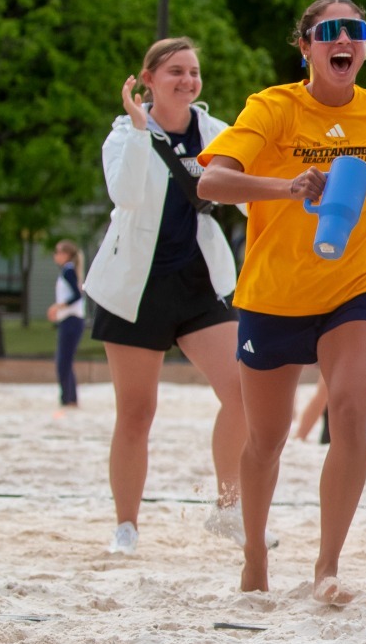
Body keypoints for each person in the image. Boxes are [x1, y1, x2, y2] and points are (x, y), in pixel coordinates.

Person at [196, 0, 366, 604]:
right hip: (272, 294)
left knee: (348, 413)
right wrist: (286, 186)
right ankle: (254, 554)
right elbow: (212, 181)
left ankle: (327, 566)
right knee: (266, 440)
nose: (344, 41)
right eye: (329, 32)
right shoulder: (273, 107)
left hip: (354, 287)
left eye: (355, 31)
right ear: (305, 45)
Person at [84, 38, 249, 556]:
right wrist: (137, 126)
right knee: (136, 412)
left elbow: (246, 197)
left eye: (194, 71)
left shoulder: (218, 133)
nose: (187, 80)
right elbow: (127, 195)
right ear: (147, 79)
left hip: (200, 282)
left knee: (243, 393)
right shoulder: (123, 135)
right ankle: (126, 526)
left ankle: (229, 509)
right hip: (135, 286)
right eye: (175, 71)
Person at [45, 241, 85, 410]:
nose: (55, 255)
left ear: (66, 254)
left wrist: (57, 307)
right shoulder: (67, 270)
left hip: (72, 320)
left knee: (64, 361)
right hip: (69, 320)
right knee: (65, 361)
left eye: (58, 252)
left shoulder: (68, 271)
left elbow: (77, 295)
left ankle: (67, 399)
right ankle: (69, 398)